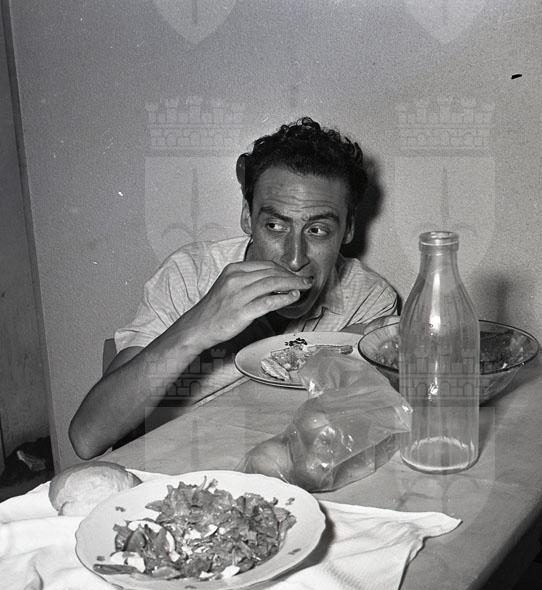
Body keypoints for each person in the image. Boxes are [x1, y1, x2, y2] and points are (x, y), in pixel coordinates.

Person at [69, 117, 398, 459]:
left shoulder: (368, 300)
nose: (295, 258)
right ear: (247, 216)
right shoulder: (191, 274)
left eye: (317, 231)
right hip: (175, 465)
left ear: (348, 229)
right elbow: (87, 437)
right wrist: (199, 326)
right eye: (275, 226)